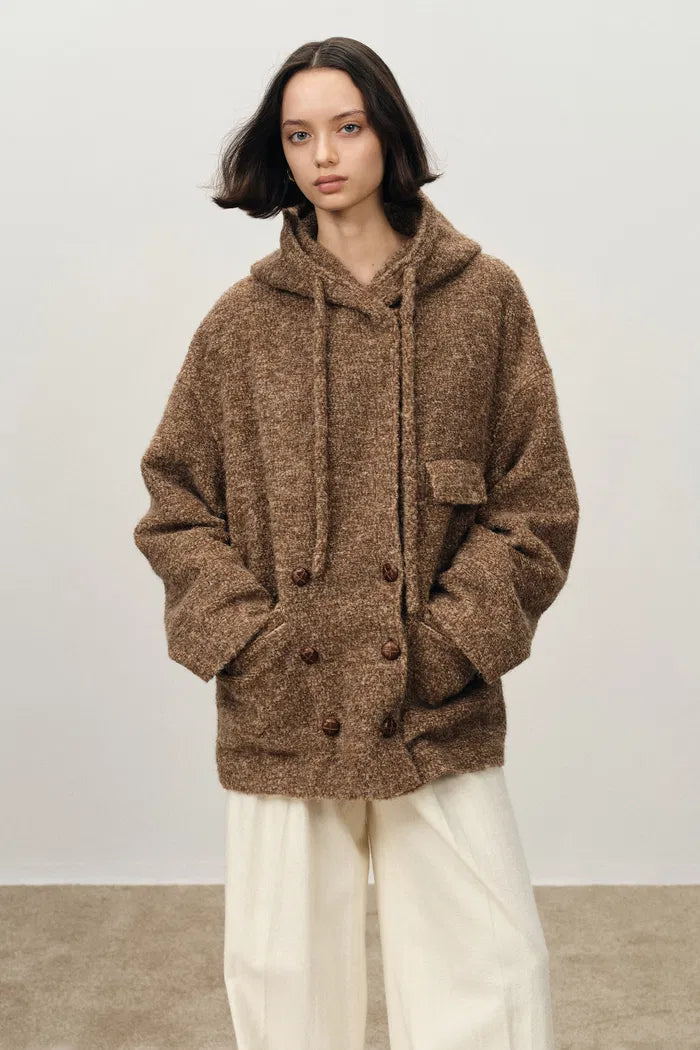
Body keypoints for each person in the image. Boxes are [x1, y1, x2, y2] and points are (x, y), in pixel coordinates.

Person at [133, 35, 579, 1050]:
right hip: (285, 700)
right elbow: (175, 502)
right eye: (299, 135)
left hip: (433, 697)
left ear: (388, 134)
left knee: (493, 973)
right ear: (279, 153)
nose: (324, 155)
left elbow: (535, 502)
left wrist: (445, 646)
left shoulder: (485, 299)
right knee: (285, 988)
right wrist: (254, 642)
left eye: (346, 126)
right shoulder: (240, 325)